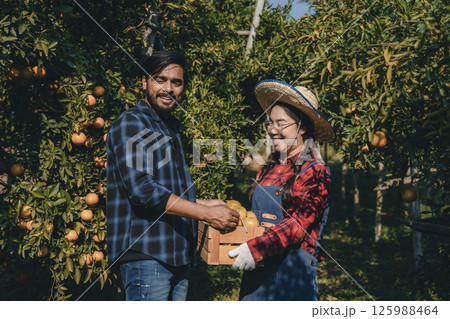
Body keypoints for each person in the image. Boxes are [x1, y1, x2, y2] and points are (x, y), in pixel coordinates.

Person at [106, 50, 239, 301]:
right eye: (160, 79)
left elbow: (165, 192)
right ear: (145, 82)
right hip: (147, 255)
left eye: (176, 82)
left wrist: (203, 204)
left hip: (177, 254)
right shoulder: (132, 123)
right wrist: (206, 214)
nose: (168, 88)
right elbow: (143, 191)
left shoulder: (170, 127)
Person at [229, 79, 335, 300]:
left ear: (302, 127)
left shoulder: (315, 171)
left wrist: (256, 248)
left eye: (281, 123)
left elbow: (299, 223)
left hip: (291, 278)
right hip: (257, 271)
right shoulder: (268, 167)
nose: (272, 130)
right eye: (270, 123)